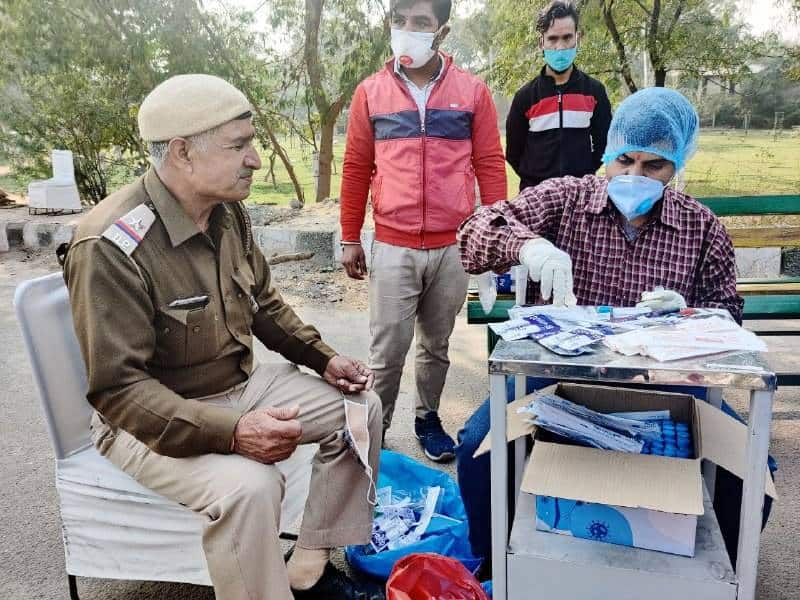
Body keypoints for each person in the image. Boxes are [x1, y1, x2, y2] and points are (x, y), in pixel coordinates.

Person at [62, 74, 384, 600]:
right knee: (253, 486)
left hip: (238, 388)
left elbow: (263, 303)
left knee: (359, 409)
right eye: (240, 145)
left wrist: (322, 359)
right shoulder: (110, 246)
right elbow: (119, 393)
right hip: (145, 423)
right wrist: (234, 433)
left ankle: (309, 566)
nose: (255, 159)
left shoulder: (226, 212)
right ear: (184, 153)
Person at [455, 87, 774, 571]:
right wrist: (528, 248)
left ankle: (708, 578)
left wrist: (691, 313)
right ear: (606, 151)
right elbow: (476, 229)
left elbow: (728, 314)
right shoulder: (566, 199)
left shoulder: (702, 227)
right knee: (478, 447)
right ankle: (497, 564)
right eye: (624, 160)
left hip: (666, 387)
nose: (633, 176)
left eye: (654, 167)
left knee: (752, 473)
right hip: (559, 378)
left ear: (678, 165)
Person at [339, 0, 507, 462]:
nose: (407, 30)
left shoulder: (472, 92)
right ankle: (378, 426)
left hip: (453, 247)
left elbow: (490, 164)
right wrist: (350, 235)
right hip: (392, 245)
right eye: (399, 21)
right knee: (387, 349)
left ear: (442, 31)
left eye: (420, 23)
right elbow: (356, 167)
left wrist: (496, 233)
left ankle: (427, 418)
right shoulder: (371, 92)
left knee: (436, 345)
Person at [505, 0, 612, 192]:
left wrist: (585, 174)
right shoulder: (525, 97)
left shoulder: (594, 92)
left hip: (581, 198)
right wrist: (535, 180)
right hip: (536, 200)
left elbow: (604, 144)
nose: (560, 47)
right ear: (541, 43)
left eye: (567, 38)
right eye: (553, 39)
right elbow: (513, 153)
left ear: (577, 38)